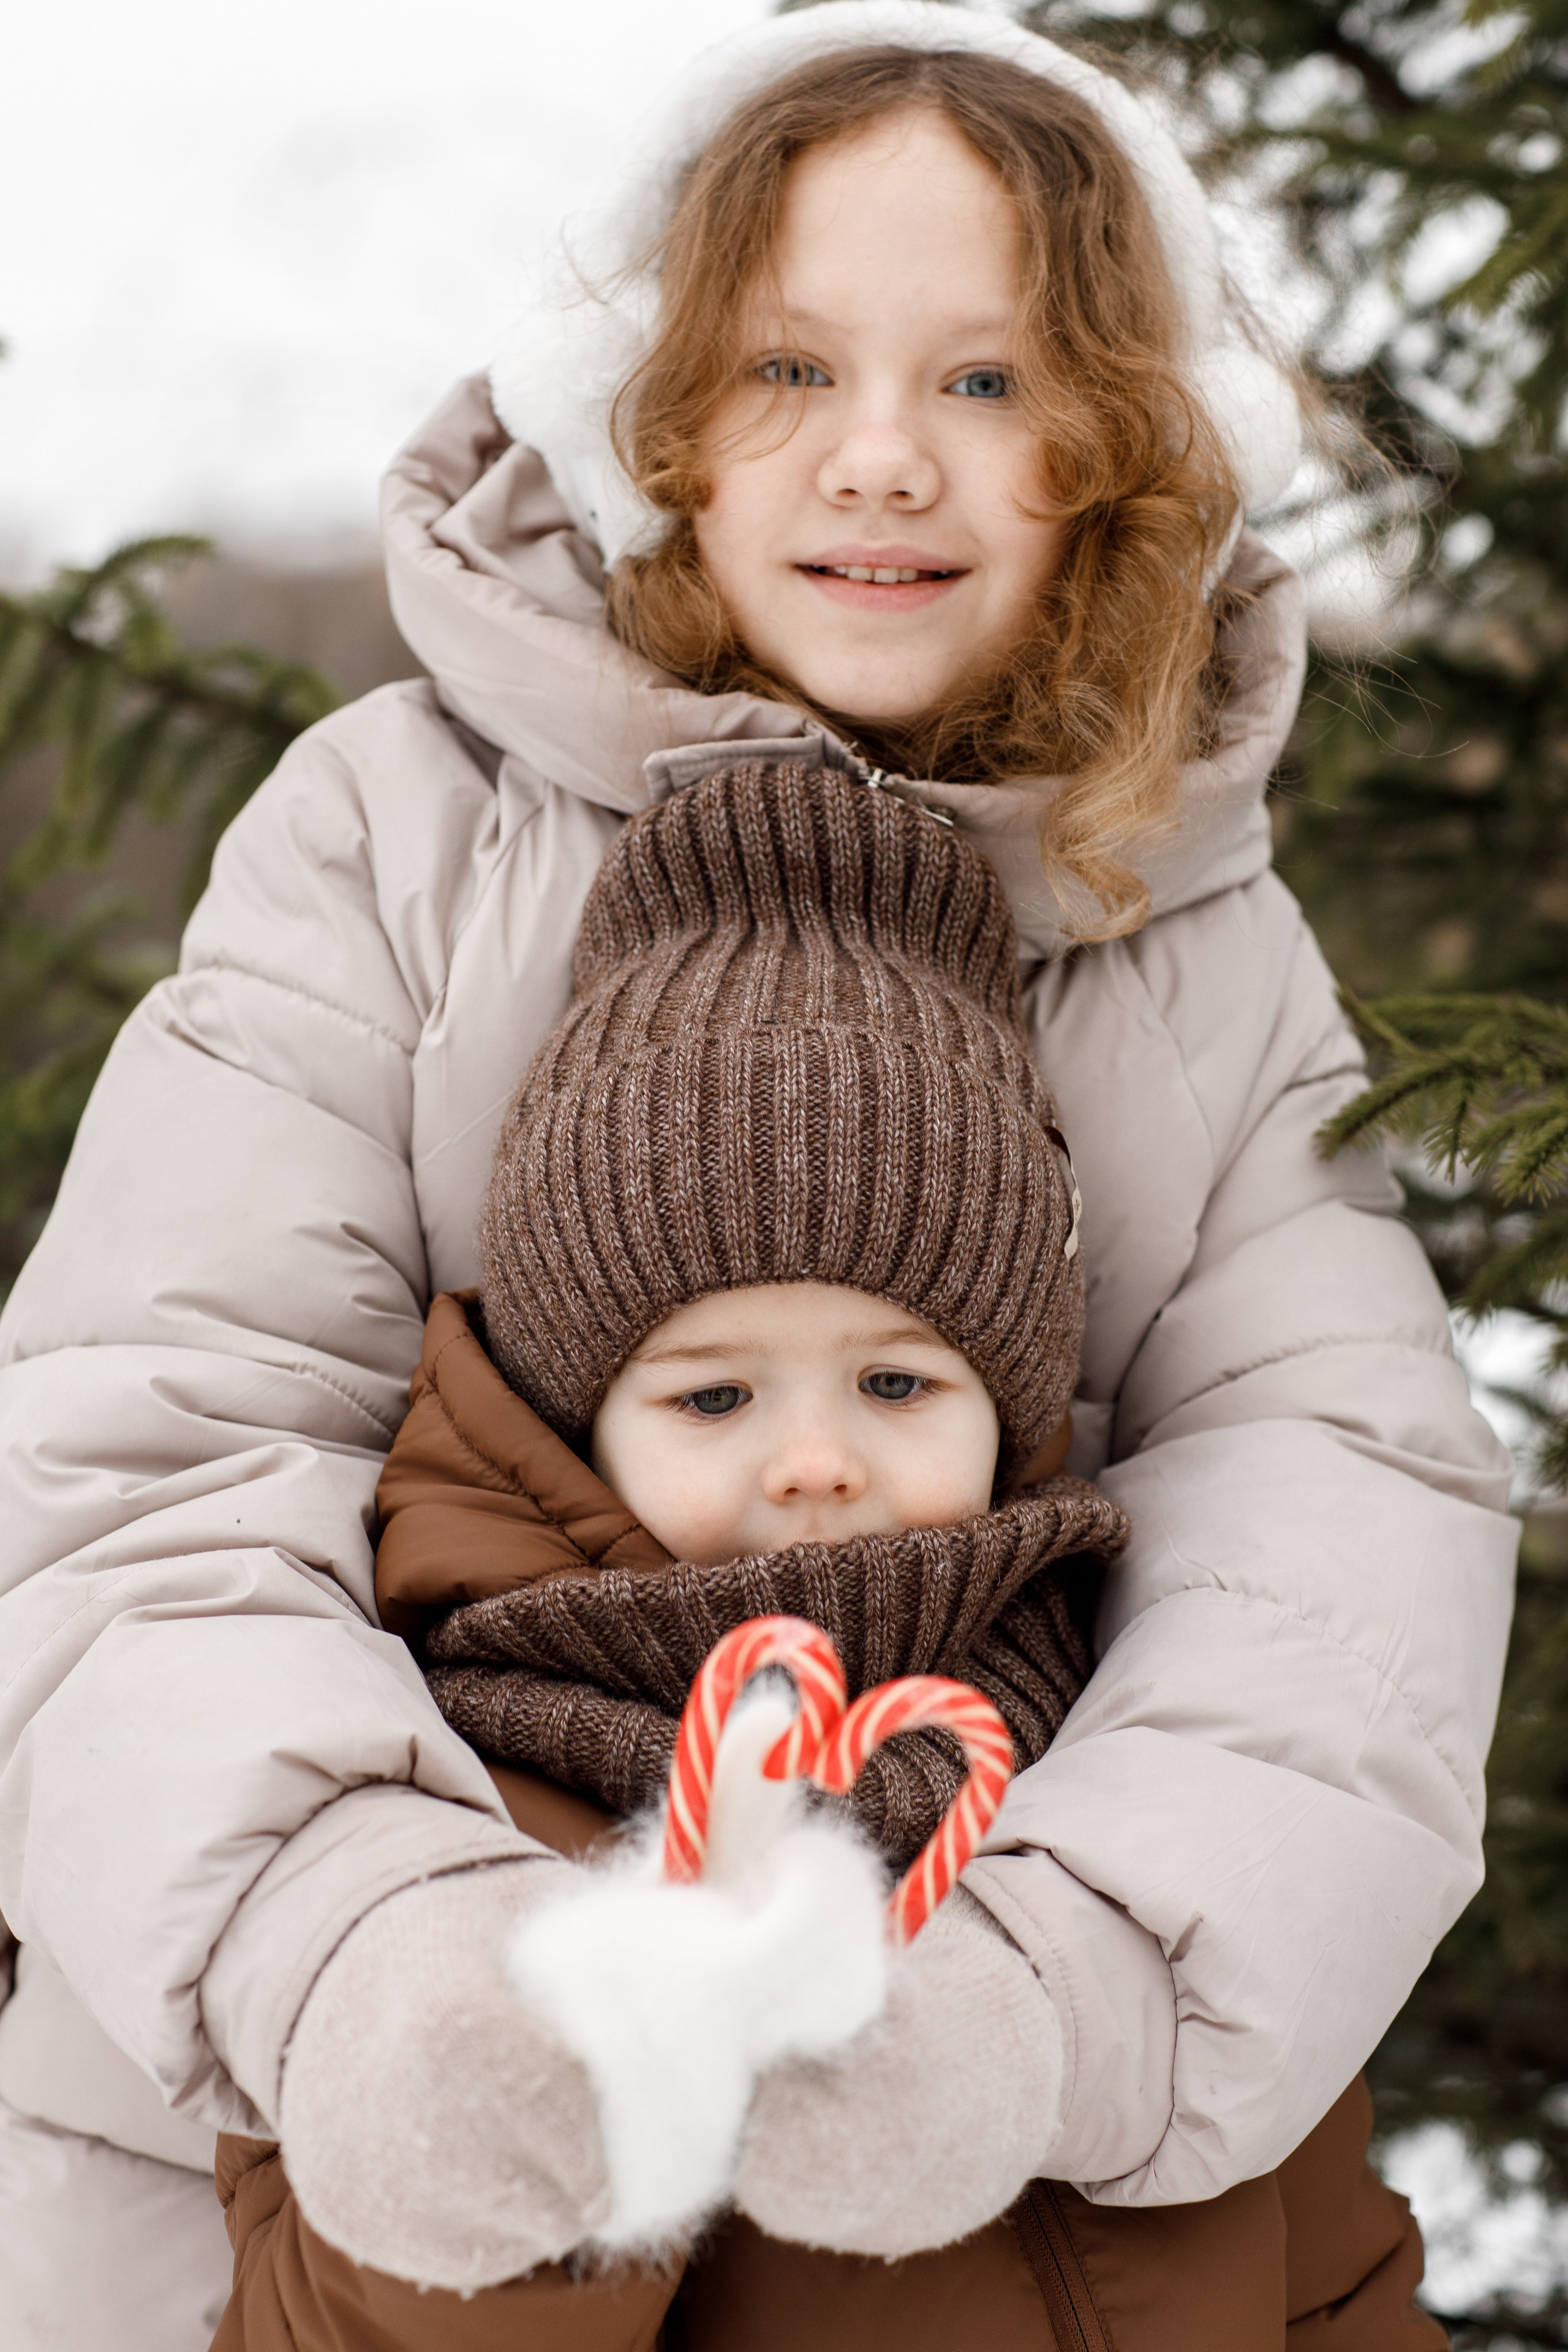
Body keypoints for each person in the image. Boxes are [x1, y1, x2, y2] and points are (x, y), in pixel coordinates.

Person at [0, 6, 1515, 2348]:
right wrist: (367, 1956)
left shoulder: (1189, 929)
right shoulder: (399, 842)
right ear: (663, 422)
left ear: (1114, 451)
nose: (887, 462)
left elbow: (1334, 1545)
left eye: (991, 387)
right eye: (792, 370)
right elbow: (145, 1464)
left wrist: (1054, 1992)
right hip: (388, 2037)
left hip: (1004, 2032)